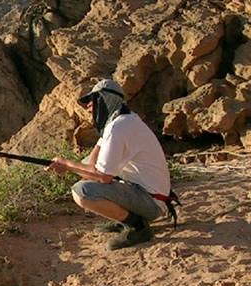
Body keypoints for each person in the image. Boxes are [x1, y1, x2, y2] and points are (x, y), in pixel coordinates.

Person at [46, 78, 174, 250]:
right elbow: (91, 163)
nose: (88, 106)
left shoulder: (118, 128)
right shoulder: (120, 121)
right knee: (85, 167)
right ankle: (124, 218)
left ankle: (137, 226)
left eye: (93, 100)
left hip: (152, 203)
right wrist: (70, 166)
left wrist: (66, 165)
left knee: (82, 191)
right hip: (149, 195)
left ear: (105, 100)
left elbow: (103, 177)